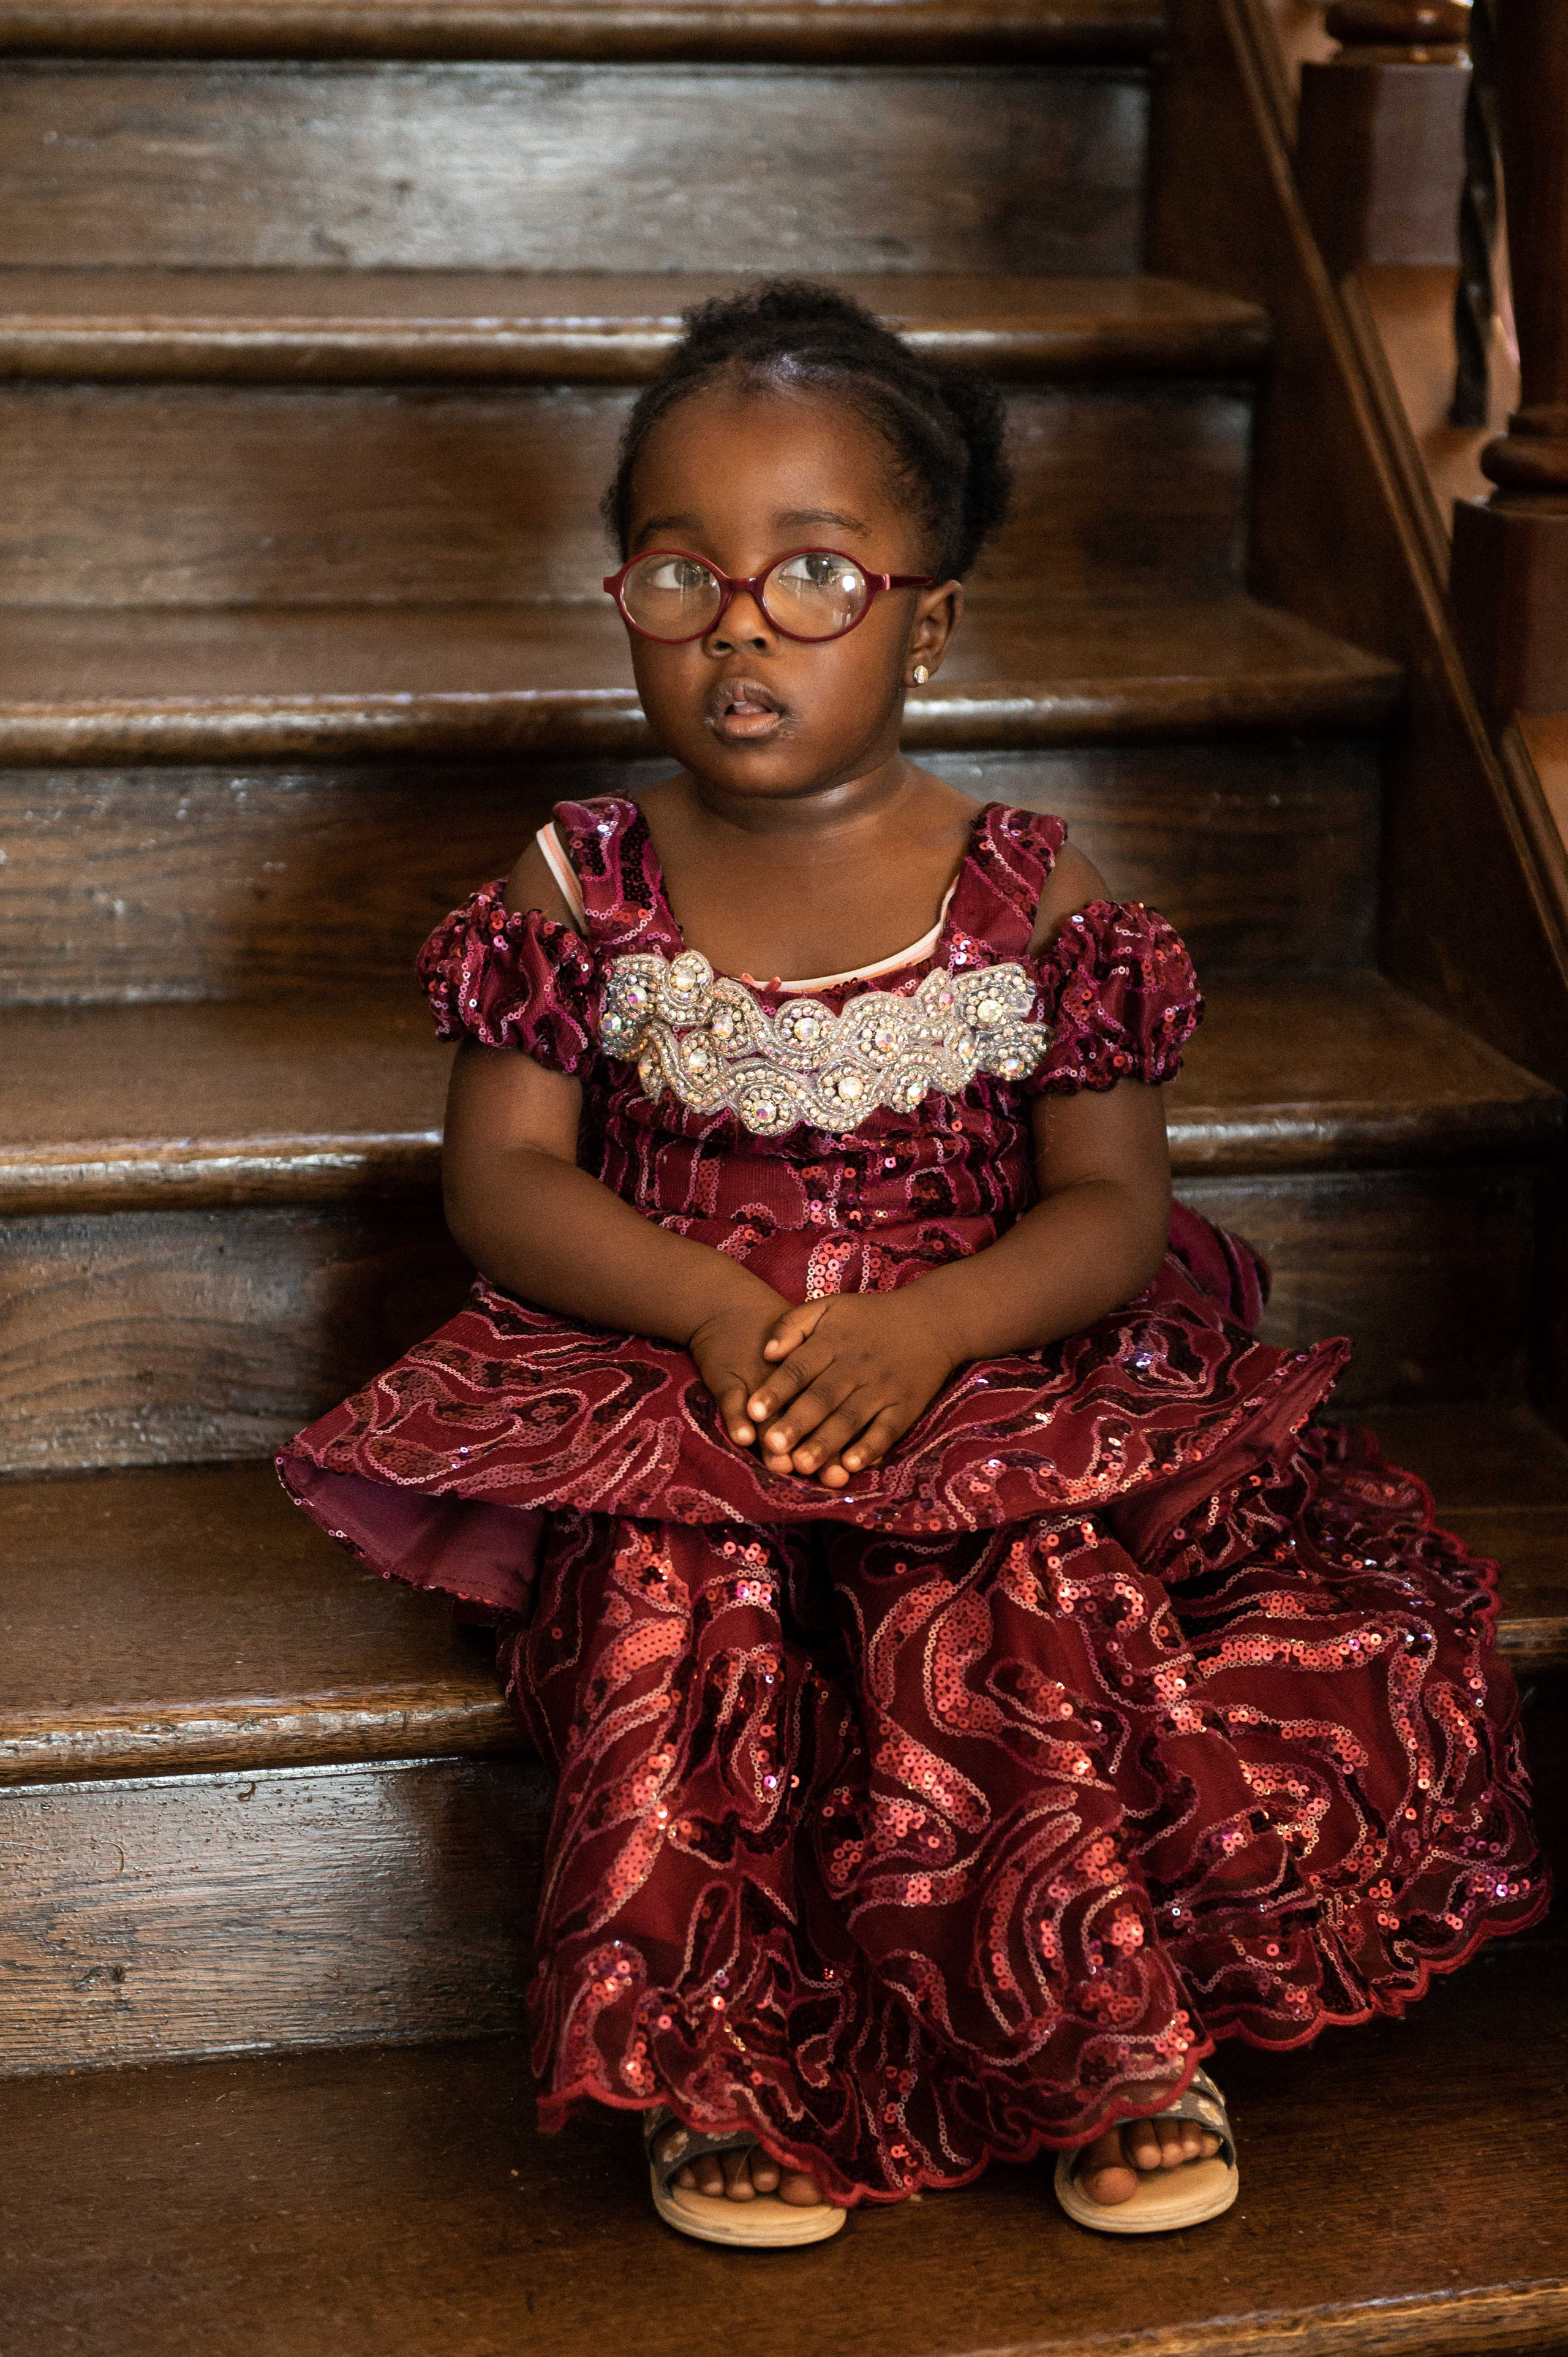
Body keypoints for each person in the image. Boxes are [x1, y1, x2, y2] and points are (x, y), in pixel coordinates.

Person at [279, 281, 1547, 2249]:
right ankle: (725, 2055)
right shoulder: (576, 877)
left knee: (1013, 1584)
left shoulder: (1037, 889)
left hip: (976, 1358)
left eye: (812, 579)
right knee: (679, 1594)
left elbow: (1112, 1211)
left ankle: (1104, 2033)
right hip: (671, 1359)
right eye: (680, 577)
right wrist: (715, 1311)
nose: (738, 637)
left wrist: (928, 1334)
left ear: (929, 621)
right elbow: (504, 1185)